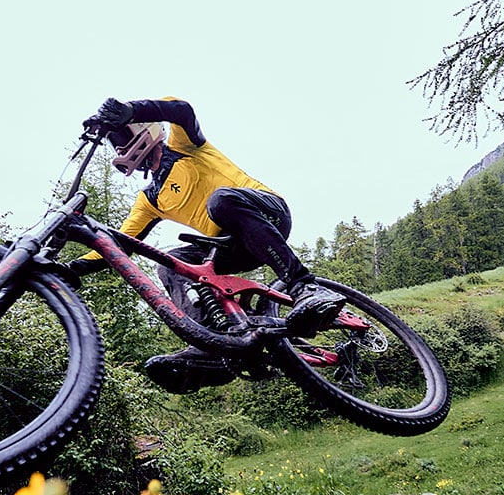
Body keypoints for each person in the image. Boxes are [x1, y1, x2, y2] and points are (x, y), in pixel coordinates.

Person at [65, 96, 346, 393]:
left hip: (264, 213)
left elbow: (181, 109)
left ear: (144, 129)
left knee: (221, 201)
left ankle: (305, 286)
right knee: (170, 264)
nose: (120, 146)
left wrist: (133, 108)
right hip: (229, 247)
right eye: (115, 141)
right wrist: (71, 269)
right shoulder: (150, 199)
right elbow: (117, 245)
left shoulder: (184, 146)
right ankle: (213, 347)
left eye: (123, 134)